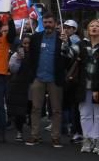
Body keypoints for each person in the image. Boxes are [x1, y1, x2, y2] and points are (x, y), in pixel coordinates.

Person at [24, 12, 72, 147]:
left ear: (55, 23)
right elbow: (30, 57)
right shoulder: (36, 37)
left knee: (56, 110)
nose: (48, 25)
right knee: (35, 108)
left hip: (55, 78)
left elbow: (68, 57)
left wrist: (66, 42)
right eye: (45, 22)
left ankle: (55, 137)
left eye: (50, 22)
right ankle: (35, 136)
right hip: (38, 77)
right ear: (42, 23)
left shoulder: (61, 38)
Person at [74, 19, 99, 153]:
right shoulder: (82, 44)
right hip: (84, 86)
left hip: (97, 86)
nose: (94, 28)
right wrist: (65, 42)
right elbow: (69, 53)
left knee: (98, 115)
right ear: (88, 29)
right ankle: (87, 139)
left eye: (97, 26)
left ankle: (97, 140)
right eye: (92, 26)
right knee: (85, 114)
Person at [7, 34, 33, 142]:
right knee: (19, 111)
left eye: (29, 43)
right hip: (19, 85)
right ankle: (19, 131)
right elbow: (13, 69)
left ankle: (33, 131)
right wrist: (18, 59)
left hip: (31, 83)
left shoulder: (36, 54)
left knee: (32, 108)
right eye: (25, 43)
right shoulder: (16, 54)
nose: (27, 46)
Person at [62, 19, 83, 143]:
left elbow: (69, 54)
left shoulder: (76, 40)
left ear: (74, 29)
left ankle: (74, 129)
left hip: (73, 77)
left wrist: (66, 43)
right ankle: (72, 128)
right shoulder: (67, 38)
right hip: (69, 76)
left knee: (73, 105)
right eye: (65, 26)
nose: (66, 29)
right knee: (70, 104)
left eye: (69, 27)